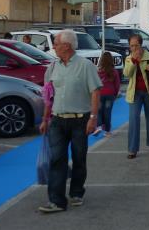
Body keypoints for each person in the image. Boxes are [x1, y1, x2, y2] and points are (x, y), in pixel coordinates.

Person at [38, 29, 102, 213]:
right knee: (57, 159)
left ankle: (76, 192)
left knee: (79, 158)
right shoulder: (53, 66)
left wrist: (93, 118)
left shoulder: (85, 66)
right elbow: (49, 95)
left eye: (56, 44)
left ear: (66, 46)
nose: (54, 47)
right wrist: (45, 119)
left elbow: (95, 92)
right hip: (57, 121)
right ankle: (57, 201)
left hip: (80, 121)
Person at [124, 34, 149, 159]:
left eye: (136, 45)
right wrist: (134, 62)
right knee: (133, 120)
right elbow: (126, 74)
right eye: (132, 46)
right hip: (134, 93)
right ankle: (132, 149)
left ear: (141, 45)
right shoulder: (129, 59)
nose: (134, 48)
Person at [95, 52, 121, 137]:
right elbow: (117, 84)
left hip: (100, 94)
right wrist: (116, 93)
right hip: (110, 95)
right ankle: (107, 131)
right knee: (107, 112)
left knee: (99, 111)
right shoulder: (114, 71)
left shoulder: (98, 71)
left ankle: (98, 127)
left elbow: (95, 83)